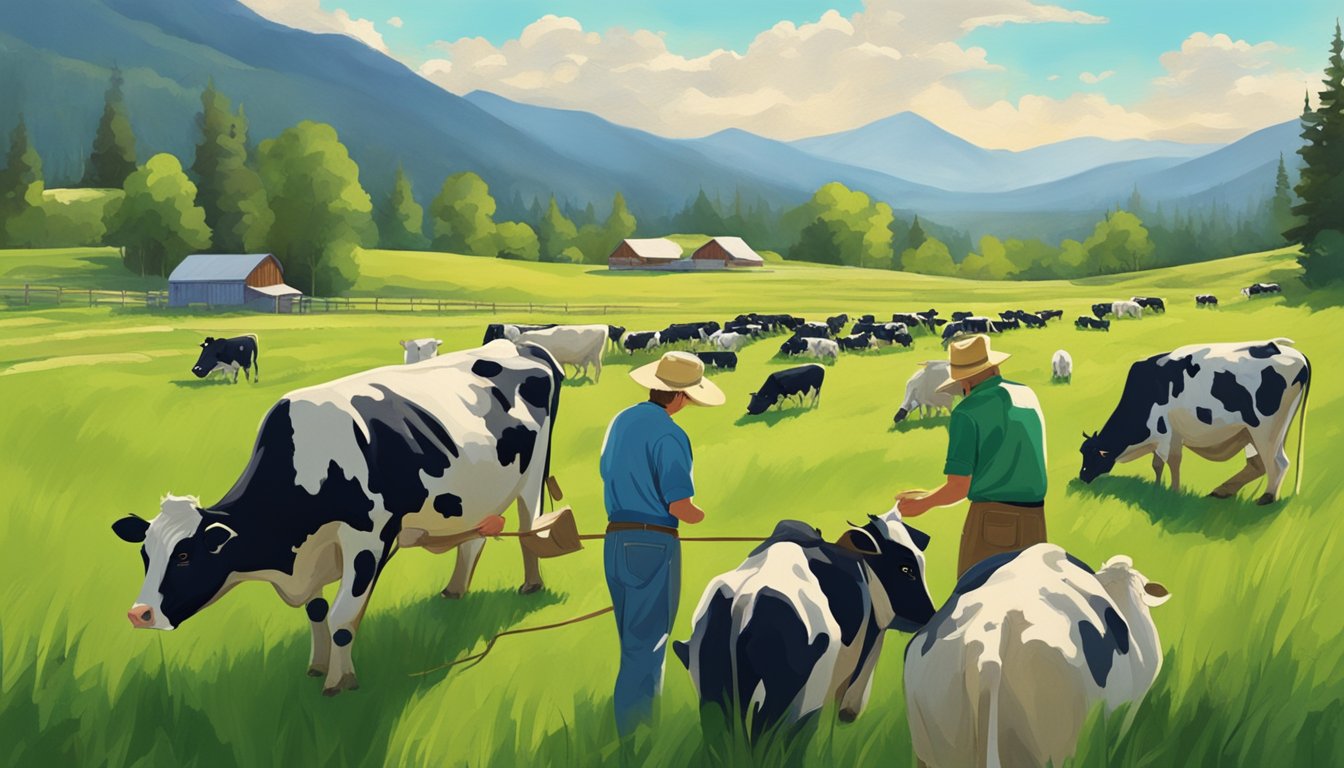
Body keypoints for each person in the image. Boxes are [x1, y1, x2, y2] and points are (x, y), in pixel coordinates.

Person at [600, 350, 724, 735]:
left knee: (631, 642)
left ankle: (625, 725)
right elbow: (680, 505)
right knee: (648, 646)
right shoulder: (671, 433)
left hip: (614, 540)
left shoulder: (621, 421)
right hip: (653, 545)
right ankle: (637, 737)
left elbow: (607, 471)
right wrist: (702, 516)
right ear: (680, 396)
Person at [897, 334, 1048, 578]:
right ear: (994, 366)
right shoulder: (1027, 395)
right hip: (1036, 520)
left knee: (972, 598)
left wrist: (922, 504)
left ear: (964, 381)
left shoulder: (967, 411)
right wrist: (929, 494)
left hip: (992, 522)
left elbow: (959, 487)